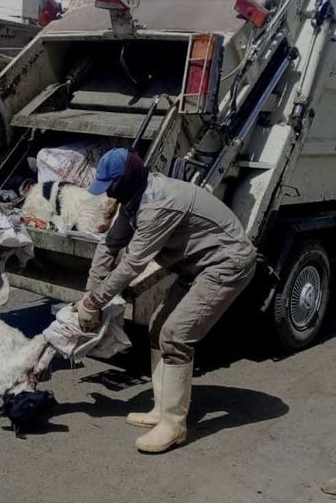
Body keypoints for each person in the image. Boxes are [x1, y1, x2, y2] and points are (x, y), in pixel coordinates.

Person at [78, 148, 258, 453]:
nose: (108, 193)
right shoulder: (133, 201)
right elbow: (108, 246)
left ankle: (174, 426)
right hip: (196, 266)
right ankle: (161, 410)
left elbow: (132, 264)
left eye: (111, 186)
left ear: (126, 180)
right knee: (158, 327)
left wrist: (94, 303)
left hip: (227, 264)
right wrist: (89, 292)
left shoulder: (157, 204)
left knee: (176, 335)